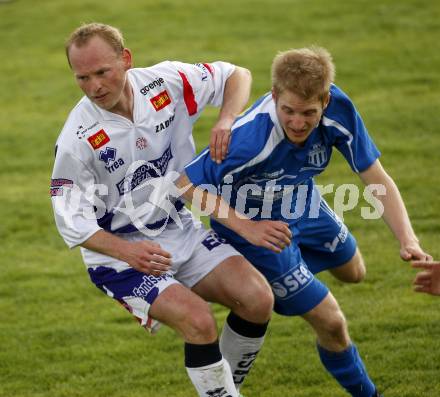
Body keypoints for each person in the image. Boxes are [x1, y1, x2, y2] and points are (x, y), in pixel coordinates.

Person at [51, 22, 292, 397]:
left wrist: (225, 120)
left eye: (103, 72)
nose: (95, 86)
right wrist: (129, 252)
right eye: (82, 77)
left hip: (180, 227)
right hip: (121, 257)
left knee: (257, 299)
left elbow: (236, 75)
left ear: (126, 59)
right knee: (198, 321)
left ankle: (225, 390)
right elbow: (70, 222)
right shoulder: (76, 140)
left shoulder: (164, 83)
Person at [180, 46, 432, 397]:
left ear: (326, 100)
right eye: (288, 111)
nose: (298, 122)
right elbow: (185, 183)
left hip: (304, 205)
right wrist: (247, 227)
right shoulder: (249, 139)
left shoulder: (338, 110)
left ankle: (287, 287)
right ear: (273, 96)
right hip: (259, 233)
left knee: (354, 272)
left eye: (308, 113)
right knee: (332, 323)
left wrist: (409, 241)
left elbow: (375, 176)